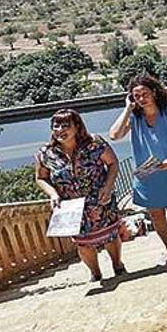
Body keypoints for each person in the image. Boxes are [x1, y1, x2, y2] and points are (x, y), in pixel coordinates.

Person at [109, 75, 167, 265]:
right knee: (156, 215)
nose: (141, 98)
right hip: (146, 175)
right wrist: (127, 108)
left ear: (154, 92)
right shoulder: (134, 117)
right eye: (136, 96)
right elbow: (114, 135)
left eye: (144, 94)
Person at [35, 109, 126, 282]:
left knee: (110, 235)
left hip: (99, 199)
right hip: (71, 206)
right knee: (82, 243)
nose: (60, 129)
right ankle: (95, 273)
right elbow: (41, 178)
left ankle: (118, 265)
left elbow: (113, 163)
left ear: (77, 127)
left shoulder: (94, 143)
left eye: (65, 125)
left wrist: (108, 186)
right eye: (56, 125)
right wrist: (53, 194)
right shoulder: (46, 153)